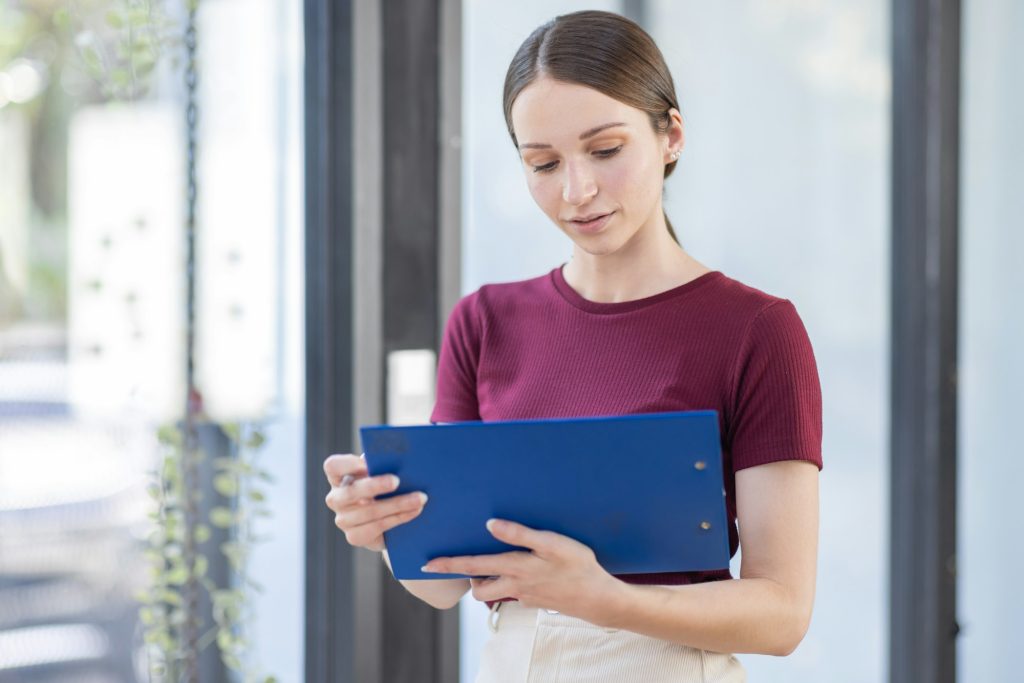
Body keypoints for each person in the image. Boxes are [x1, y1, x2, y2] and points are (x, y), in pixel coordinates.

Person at [324, 9, 822, 682]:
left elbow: (783, 612)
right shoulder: (484, 321)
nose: (576, 190)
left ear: (670, 135)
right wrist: (385, 527)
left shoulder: (757, 330)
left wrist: (607, 598)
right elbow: (443, 583)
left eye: (606, 150)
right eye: (544, 163)